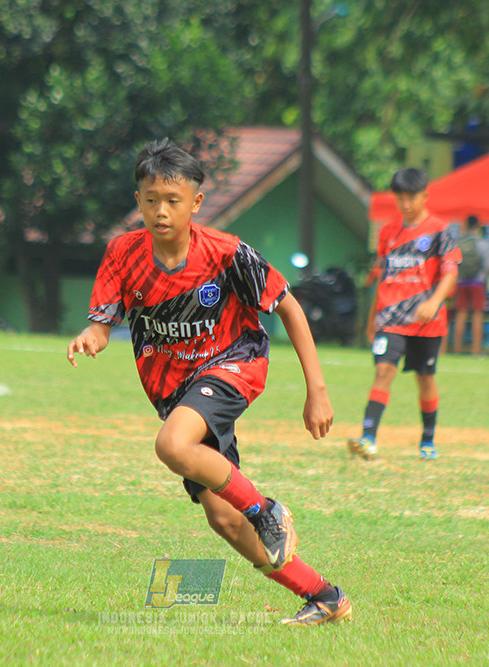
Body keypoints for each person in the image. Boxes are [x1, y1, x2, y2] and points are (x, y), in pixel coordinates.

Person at [67, 138, 349, 626]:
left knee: (172, 444)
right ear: (138, 201)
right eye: (151, 199)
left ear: (196, 203)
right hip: (178, 392)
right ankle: (324, 595)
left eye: (173, 201)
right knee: (222, 517)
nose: (161, 211)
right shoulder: (123, 254)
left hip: (234, 363)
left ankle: (269, 511)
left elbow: (288, 304)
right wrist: (92, 336)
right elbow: (103, 319)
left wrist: (317, 390)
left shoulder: (226, 253)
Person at [347, 168, 460, 461]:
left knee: (425, 378)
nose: (405, 204)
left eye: (411, 197)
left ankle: (428, 439)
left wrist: (434, 302)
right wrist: (373, 318)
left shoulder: (440, 229)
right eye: (400, 198)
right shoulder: (388, 232)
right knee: (383, 372)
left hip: (427, 322)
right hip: (391, 319)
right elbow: (382, 275)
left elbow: (450, 273)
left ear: (424, 195)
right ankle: (368, 438)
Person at [452, 215, 489, 355]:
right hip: (477, 282)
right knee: (477, 314)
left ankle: (457, 348)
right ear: (477, 226)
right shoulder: (482, 243)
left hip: (461, 282)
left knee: (461, 314)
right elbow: (488, 265)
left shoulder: (459, 242)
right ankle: (476, 349)